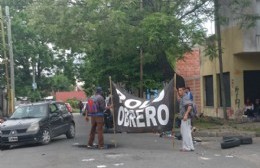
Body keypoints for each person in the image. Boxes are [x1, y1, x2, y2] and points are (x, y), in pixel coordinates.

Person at [177, 86, 195, 152]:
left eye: (181, 90)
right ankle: (191, 147)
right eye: (179, 90)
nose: (179, 92)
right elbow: (179, 101)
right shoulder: (183, 98)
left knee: (185, 133)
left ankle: (186, 147)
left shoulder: (185, 97)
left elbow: (189, 106)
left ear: (184, 91)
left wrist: (186, 115)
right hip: (186, 118)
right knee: (187, 132)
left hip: (186, 118)